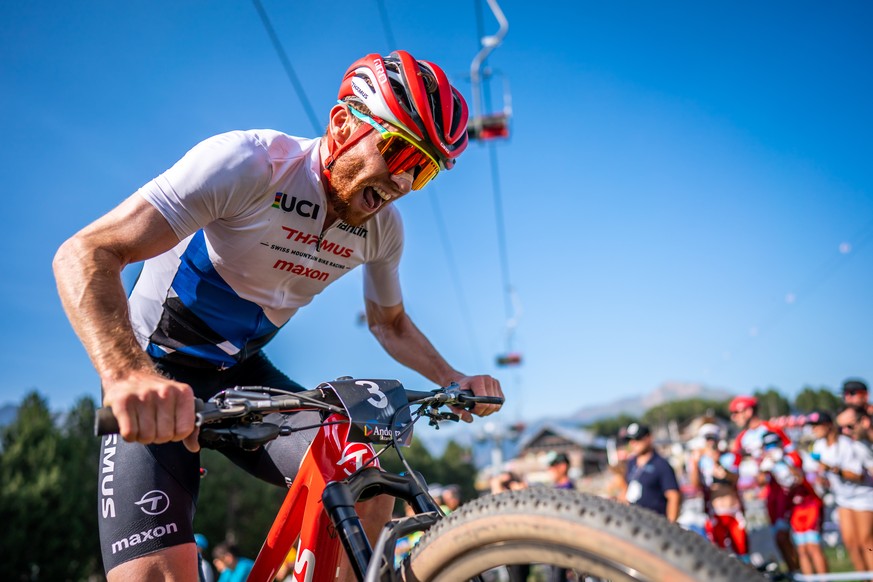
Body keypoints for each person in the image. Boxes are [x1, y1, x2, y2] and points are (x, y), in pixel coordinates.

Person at [52, 50, 504, 580]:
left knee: (369, 480)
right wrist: (126, 375)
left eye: (423, 171)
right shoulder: (249, 164)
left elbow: (391, 324)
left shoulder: (383, 230)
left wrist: (454, 379)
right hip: (157, 372)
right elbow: (86, 254)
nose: (403, 183)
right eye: (399, 153)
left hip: (243, 376)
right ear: (342, 125)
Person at [729, 395, 802, 572]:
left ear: (748, 411)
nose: (734, 417)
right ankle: (796, 573)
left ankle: (805, 574)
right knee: (780, 537)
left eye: (736, 412)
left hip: (788, 488)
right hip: (770, 491)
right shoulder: (741, 438)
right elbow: (734, 469)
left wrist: (778, 465)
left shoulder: (772, 428)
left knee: (799, 539)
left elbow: (795, 459)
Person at [809, 410, 873, 573]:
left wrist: (832, 469)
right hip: (843, 498)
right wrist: (823, 479)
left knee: (866, 542)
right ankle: (863, 578)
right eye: (812, 425)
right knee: (850, 542)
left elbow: (857, 475)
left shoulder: (847, 444)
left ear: (829, 425)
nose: (814, 429)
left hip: (863, 497)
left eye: (818, 425)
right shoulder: (819, 446)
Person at [758, 431, 827, 576]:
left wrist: (783, 462)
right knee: (802, 549)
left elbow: (800, 478)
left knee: (813, 547)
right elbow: (761, 481)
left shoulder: (793, 457)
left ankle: (824, 580)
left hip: (807, 505)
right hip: (794, 509)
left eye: (774, 445)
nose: (772, 448)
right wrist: (765, 468)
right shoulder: (766, 462)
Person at [687, 423, 749, 562]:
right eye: (707, 438)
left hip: (734, 511)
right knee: (719, 554)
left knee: (742, 551)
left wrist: (718, 463)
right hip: (715, 513)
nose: (710, 442)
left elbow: (734, 479)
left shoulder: (729, 457)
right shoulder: (700, 461)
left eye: (712, 438)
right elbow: (695, 484)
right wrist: (695, 464)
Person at [621, 423, 681, 522]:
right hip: (634, 520)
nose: (633, 443)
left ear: (649, 438)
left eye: (637, 439)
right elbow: (627, 488)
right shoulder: (631, 463)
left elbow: (673, 496)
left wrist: (670, 525)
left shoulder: (661, 465)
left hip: (655, 522)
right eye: (630, 440)